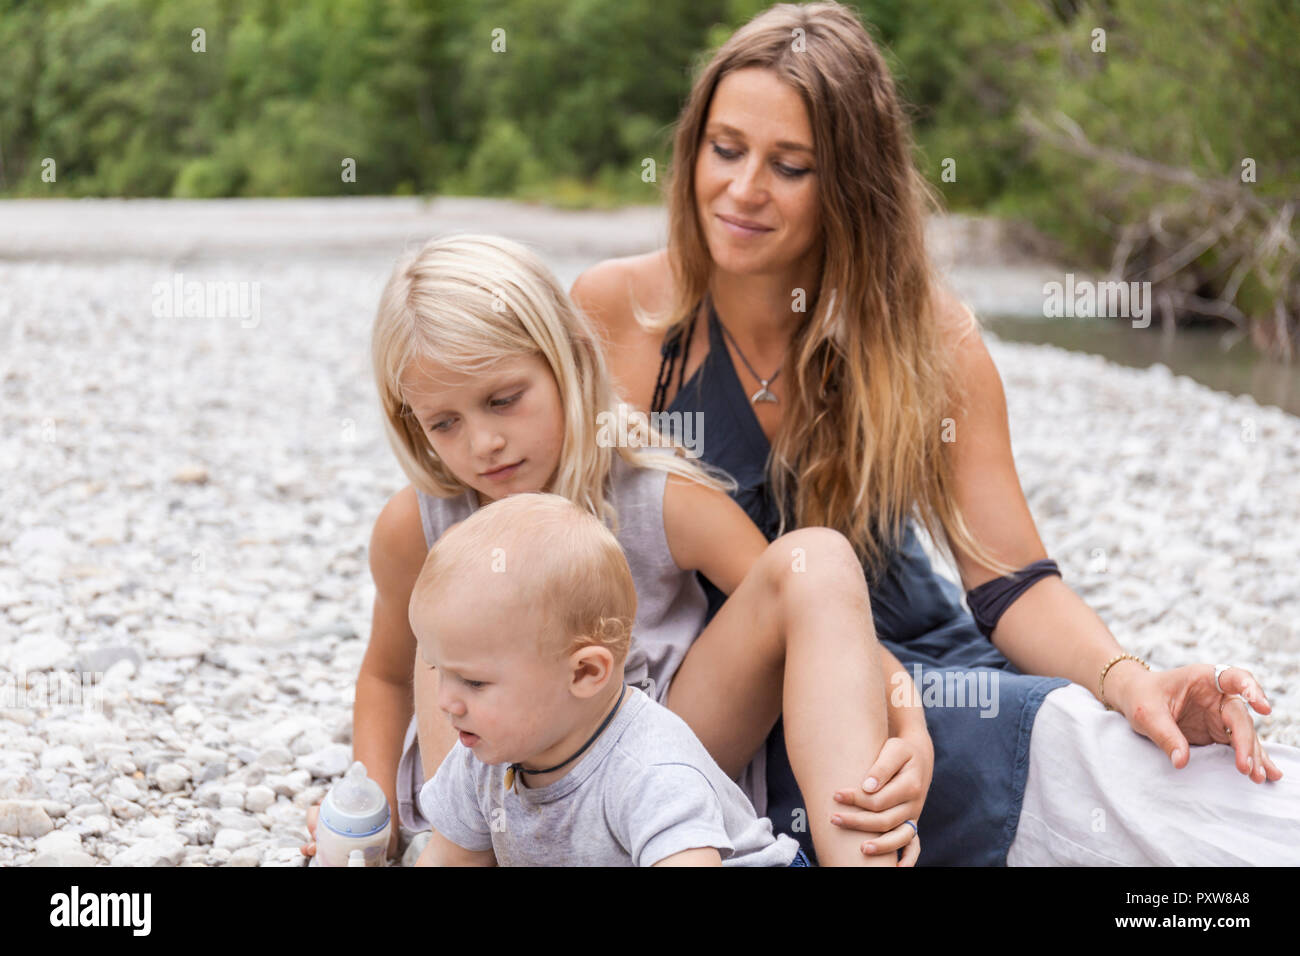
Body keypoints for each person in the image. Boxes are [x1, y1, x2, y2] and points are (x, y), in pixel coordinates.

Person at [568, 0, 1299, 865]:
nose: (743, 189)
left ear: (849, 183)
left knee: (1133, 753)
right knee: (1078, 772)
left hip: (920, 668)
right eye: (725, 150)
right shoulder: (620, 314)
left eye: (790, 165)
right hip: (723, 701)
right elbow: (546, 551)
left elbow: (1012, 585)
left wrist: (1129, 680)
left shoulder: (930, 338)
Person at [304, 232, 930, 867]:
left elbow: (808, 596)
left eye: (504, 400)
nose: (484, 442)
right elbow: (385, 674)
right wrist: (371, 808)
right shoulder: (418, 522)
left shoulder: (653, 492)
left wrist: (910, 723)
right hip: (493, 780)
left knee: (816, 558)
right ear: (413, 421)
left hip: (653, 759)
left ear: (567, 360)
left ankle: (862, 856)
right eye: (445, 422)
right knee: (445, 639)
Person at [410, 492, 807, 867]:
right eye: (437, 671)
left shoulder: (650, 771)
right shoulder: (484, 755)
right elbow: (450, 858)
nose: (445, 701)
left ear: (584, 673)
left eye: (474, 683)